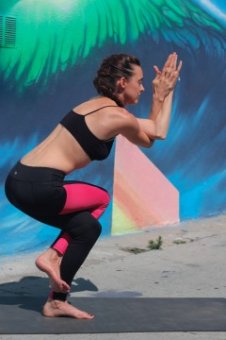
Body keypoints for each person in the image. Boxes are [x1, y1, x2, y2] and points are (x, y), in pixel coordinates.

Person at [4, 52, 182, 319]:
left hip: (18, 181)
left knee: (86, 228)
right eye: (141, 81)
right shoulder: (116, 117)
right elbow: (159, 131)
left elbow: (147, 138)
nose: (143, 87)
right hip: (41, 185)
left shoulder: (95, 105)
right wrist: (164, 92)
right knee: (101, 198)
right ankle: (53, 255)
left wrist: (160, 94)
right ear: (123, 82)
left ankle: (56, 302)